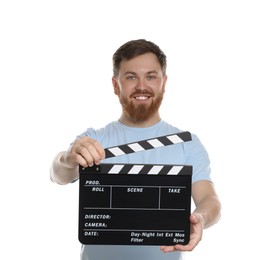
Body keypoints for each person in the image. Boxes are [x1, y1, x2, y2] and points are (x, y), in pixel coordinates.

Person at [50, 39, 221, 260]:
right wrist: (68, 158)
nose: (142, 86)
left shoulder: (187, 143)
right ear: (115, 84)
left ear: (164, 82)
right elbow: (58, 175)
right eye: (131, 77)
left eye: (151, 76)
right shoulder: (93, 139)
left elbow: (210, 200)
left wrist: (201, 218)